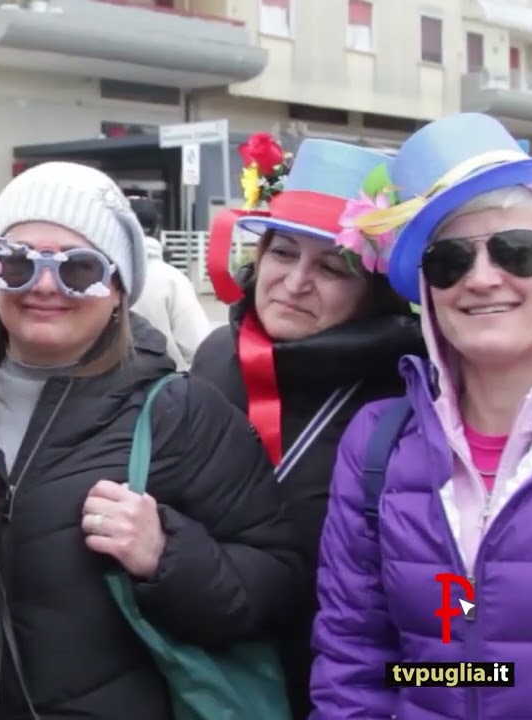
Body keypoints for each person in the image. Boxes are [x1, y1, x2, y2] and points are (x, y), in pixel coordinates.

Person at [0, 160, 304, 718]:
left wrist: (166, 555)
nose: (45, 286)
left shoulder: (178, 413)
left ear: (119, 289)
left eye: (79, 268)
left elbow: (275, 582)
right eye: (18, 262)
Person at [310, 113, 532, 718]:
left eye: (517, 250)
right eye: (449, 260)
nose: (481, 279)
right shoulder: (378, 444)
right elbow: (357, 657)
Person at [189, 139, 425, 719]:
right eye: (283, 253)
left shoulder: (405, 390)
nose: (294, 283)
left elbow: (441, 609)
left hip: (339, 687)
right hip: (209, 678)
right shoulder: (216, 358)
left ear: (373, 291)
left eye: (331, 267)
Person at [128, 195, 212, 369]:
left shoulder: (101, 278)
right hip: (164, 382)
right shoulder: (173, 280)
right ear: (157, 230)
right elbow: (198, 346)